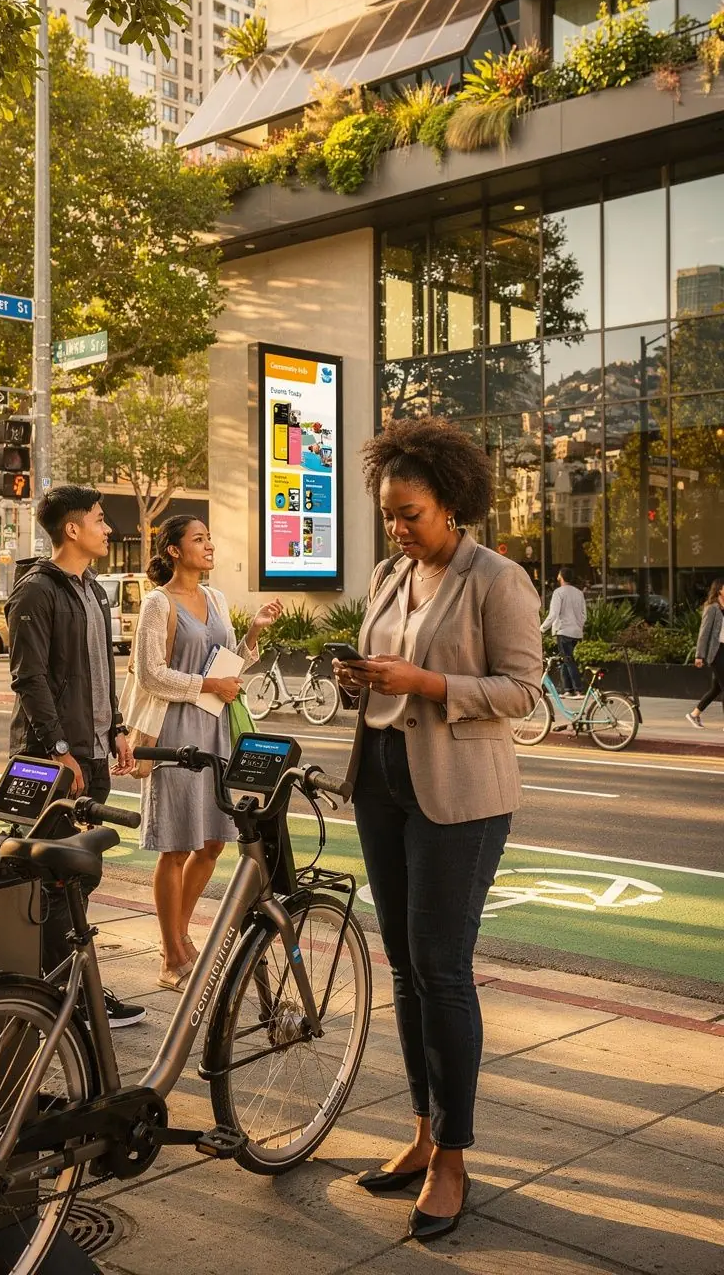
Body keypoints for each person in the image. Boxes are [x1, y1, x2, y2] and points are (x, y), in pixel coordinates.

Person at [333, 416, 541, 1245]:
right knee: (406, 970)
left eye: (409, 513)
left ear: (451, 504)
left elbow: (524, 692)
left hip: (460, 795)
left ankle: (455, 1156)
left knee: (442, 971)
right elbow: (387, 672)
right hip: (383, 782)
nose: (396, 527)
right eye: (387, 513)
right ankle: (421, 1133)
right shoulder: (390, 576)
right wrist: (364, 680)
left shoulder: (498, 579)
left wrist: (427, 680)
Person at [5, 485, 144, 1029]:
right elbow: (29, 678)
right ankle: (67, 997)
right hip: (54, 762)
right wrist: (58, 750)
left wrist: (119, 728)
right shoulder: (36, 592)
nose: (107, 529)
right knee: (58, 883)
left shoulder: (95, 591)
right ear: (72, 529)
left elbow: (101, 670)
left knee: (81, 879)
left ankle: (65, 989)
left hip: (93, 754)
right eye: (100, 519)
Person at [134, 514, 281, 989]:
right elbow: (150, 673)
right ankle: (170, 952)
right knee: (176, 845)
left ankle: (180, 934)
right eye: (199, 539)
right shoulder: (159, 604)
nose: (209, 544)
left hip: (217, 728)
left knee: (214, 841)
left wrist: (254, 633)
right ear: (174, 550)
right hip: (177, 735)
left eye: (209, 537)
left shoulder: (216, 598)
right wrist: (206, 682)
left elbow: (229, 664)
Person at [540, 567, 586, 696]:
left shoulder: (559, 593)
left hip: (563, 631)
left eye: (559, 575)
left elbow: (553, 614)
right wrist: (578, 626)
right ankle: (568, 689)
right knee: (566, 659)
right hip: (576, 633)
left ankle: (578, 689)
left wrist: (542, 628)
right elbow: (584, 615)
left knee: (568, 660)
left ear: (561, 577)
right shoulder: (579, 593)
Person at [686, 578, 724, 729]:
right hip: (717, 652)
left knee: (717, 688)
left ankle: (694, 714)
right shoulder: (712, 608)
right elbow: (704, 633)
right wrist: (699, 655)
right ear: (719, 589)